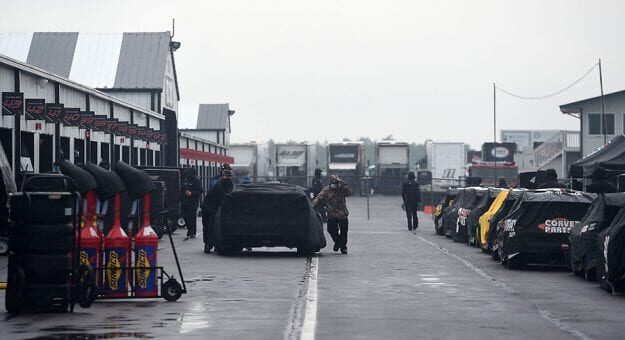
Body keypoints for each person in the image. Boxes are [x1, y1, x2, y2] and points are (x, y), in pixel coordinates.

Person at [312, 175, 351, 254]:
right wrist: (312, 206)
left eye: (335, 183)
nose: (334, 185)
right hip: (332, 214)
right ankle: (338, 242)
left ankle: (343, 247)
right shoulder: (326, 190)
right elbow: (318, 198)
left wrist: (341, 181)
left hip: (342, 213)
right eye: (332, 183)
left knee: (344, 231)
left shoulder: (341, 189)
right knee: (331, 230)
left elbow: (349, 193)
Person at [201, 168, 234, 253]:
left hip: (209, 207)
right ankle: (210, 245)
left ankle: (209, 245)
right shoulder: (224, 185)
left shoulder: (221, 184)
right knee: (210, 227)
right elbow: (224, 197)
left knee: (209, 227)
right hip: (210, 208)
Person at [181, 167, 203, 239]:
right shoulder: (186, 179)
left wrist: (192, 193)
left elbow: (200, 191)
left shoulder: (196, 180)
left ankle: (192, 232)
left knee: (192, 217)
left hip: (193, 202)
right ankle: (189, 229)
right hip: (184, 201)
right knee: (185, 215)